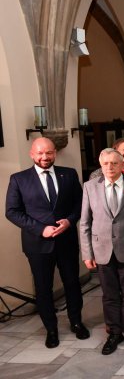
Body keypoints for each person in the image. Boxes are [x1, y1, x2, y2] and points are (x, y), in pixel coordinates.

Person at [5, 137, 88, 348]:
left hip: (67, 241)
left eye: (49, 152)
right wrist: (41, 229)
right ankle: (51, 330)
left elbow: (80, 203)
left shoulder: (69, 174)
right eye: (40, 153)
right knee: (43, 288)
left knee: (72, 284)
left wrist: (69, 222)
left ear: (55, 153)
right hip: (37, 245)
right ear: (32, 154)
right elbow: (12, 212)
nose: (45, 157)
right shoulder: (19, 179)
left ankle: (76, 322)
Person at [79, 148, 124, 355]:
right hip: (101, 250)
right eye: (105, 164)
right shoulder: (90, 187)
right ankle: (114, 332)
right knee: (110, 296)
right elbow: (84, 223)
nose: (109, 167)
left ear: (122, 165)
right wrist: (87, 253)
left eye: (114, 163)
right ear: (100, 166)